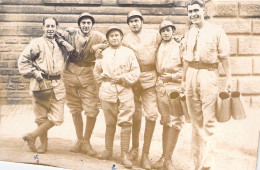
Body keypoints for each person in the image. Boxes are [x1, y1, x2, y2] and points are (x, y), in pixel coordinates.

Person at [181, 0, 232, 169]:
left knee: (209, 121)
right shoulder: (189, 32)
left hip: (208, 74)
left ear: (203, 9)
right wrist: (183, 80)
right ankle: (196, 164)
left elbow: (224, 57)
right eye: (190, 12)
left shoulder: (216, 31)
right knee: (195, 124)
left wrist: (229, 79)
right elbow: (186, 59)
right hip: (191, 75)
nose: (193, 14)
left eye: (196, 10)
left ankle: (207, 163)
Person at [57, 12, 107, 156]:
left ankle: (86, 141)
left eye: (88, 23)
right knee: (74, 108)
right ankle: (79, 140)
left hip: (88, 75)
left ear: (92, 25)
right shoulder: (71, 34)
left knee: (91, 109)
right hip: (70, 74)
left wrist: (99, 46)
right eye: (83, 23)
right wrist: (66, 43)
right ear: (79, 24)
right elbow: (56, 34)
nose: (86, 25)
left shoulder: (98, 36)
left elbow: (110, 42)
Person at [18, 17, 69, 153]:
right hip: (40, 83)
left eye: (53, 26)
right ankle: (43, 145)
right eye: (48, 26)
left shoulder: (61, 44)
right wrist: (34, 73)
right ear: (43, 28)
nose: (50, 29)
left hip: (58, 84)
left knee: (58, 117)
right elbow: (22, 61)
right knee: (41, 117)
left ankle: (31, 136)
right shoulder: (36, 43)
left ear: (57, 28)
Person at [94, 26, 140, 169]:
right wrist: (103, 80)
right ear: (107, 39)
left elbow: (136, 71)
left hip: (125, 91)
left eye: (117, 35)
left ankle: (124, 154)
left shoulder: (128, 52)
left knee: (126, 122)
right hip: (107, 92)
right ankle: (108, 151)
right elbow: (96, 72)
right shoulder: (103, 54)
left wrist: (121, 79)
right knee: (109, 122)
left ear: (121, 38)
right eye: (111, 36)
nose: (114, 38)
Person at [122, 10, 161, 169]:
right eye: (131, 21)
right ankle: (135, 148)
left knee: (151, 114)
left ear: (142, 21)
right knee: (135, 115)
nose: (134, 23)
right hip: (134, 80)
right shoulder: (125, 39)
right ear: (128, 24)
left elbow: (166, 43)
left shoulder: (154, 35)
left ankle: (145, 154)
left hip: (150, 79)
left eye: (137, 20)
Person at [154, 20, 184, 170]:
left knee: (176, 121)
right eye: (163, 30)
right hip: (161, 87)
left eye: (168, 30)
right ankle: (163, 158)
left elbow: (187, 68)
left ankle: (168, 158)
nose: (166, 33)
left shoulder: (180, 45)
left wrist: (172, 77)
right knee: (166, 120)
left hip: (175, 87)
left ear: (173, 31)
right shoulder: (158, 46)